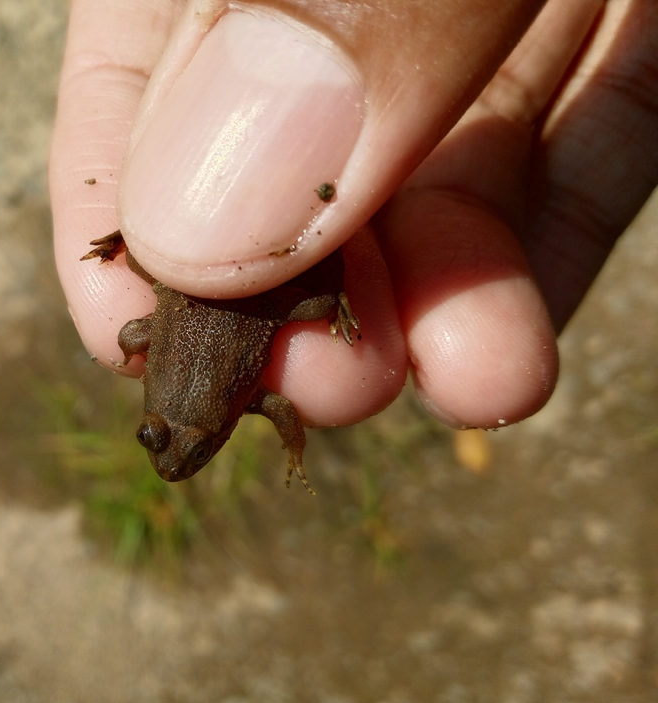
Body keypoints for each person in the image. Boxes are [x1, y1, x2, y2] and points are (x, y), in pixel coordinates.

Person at [49, 0, 658, 430]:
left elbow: (134, 336)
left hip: (251, 276)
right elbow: (145, 341)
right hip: (250, 290)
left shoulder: (173, 348)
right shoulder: (210, 378)